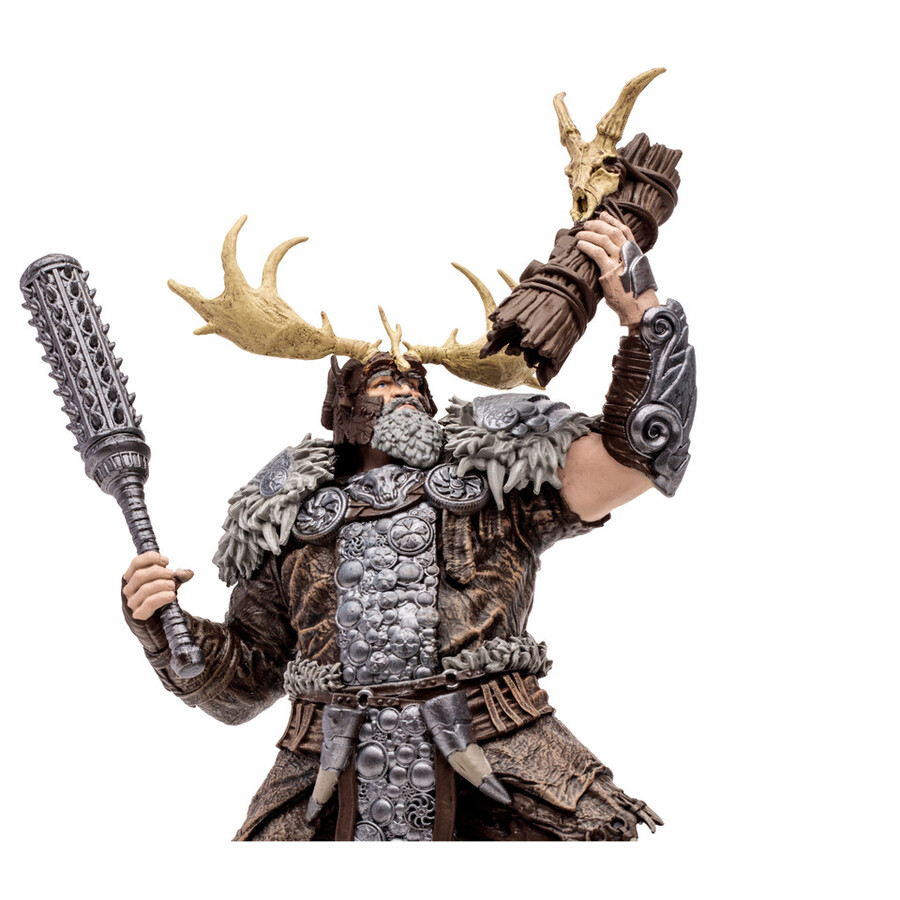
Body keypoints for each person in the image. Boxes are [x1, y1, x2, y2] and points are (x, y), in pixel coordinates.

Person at [121, 212, 695, 841]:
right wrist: (162, 626)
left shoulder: (493, 477)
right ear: (340, 403)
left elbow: (634, 459)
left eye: (411, 379)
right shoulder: (286, 513)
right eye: (379, 377)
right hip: (324, 769)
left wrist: (644, 319)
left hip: (502, 752)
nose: (401, 384)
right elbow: (245, 684)